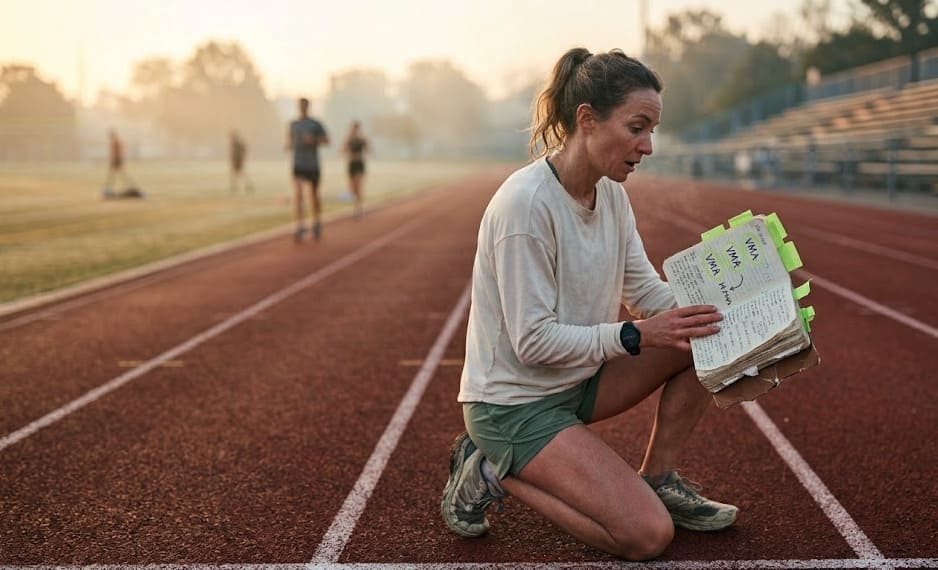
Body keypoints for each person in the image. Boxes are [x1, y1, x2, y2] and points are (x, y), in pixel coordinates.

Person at [440, 48, 737, 561]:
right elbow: (532, 342)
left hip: (575, 382)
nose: (648, 146)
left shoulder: (612, 196)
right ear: (587, 120)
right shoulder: (525, 206)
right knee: (647, 536)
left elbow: (647, 295)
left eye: (652, 130)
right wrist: (634, 335)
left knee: (706, 331)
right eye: (637, 127)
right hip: (512, 406)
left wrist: (738, 312)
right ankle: (491, 466)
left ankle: (660, 478)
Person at [286, 98, 329, 242]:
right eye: (300, 106)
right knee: (298, 195)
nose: (302, 108)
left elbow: (326, 140)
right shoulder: (293, 124)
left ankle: (316, 222)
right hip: (298, 164)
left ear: (308, 106)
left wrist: (314, 140)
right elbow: (289, 141)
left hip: (313, 165)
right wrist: (288, 145)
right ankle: (299, 225)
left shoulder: (315, 124)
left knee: (314, 196)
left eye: (304, 105)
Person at [102, 129, 143, 199]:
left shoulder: (115, 142)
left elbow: (117, 151)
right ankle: (110, 186)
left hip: (117, 159)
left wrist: (114, 159)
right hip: (117, 159)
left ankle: (109, 187)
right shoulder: (116, 141)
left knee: (116, 174)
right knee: (118, 174)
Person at [342, 120, 369, 219]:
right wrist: (349, 154)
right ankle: (355, 207)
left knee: (358, 186)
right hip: (351, 165)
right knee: (352, 189)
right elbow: (343, 150)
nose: (354, 130)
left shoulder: (362, 139)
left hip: (359, 165)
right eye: (353, 128)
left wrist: (360, 154)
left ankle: (358, 209)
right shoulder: (348, 139)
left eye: (356, 128)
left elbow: (369, 150)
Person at [229, 130, 253, 194]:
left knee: (240, 173)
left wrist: (240, 157)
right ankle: (236, 186)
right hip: (237, 160)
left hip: (238, 160)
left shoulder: (237, 143)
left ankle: (247, 185)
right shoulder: (234, 143)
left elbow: (243, 150)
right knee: (236, 174)